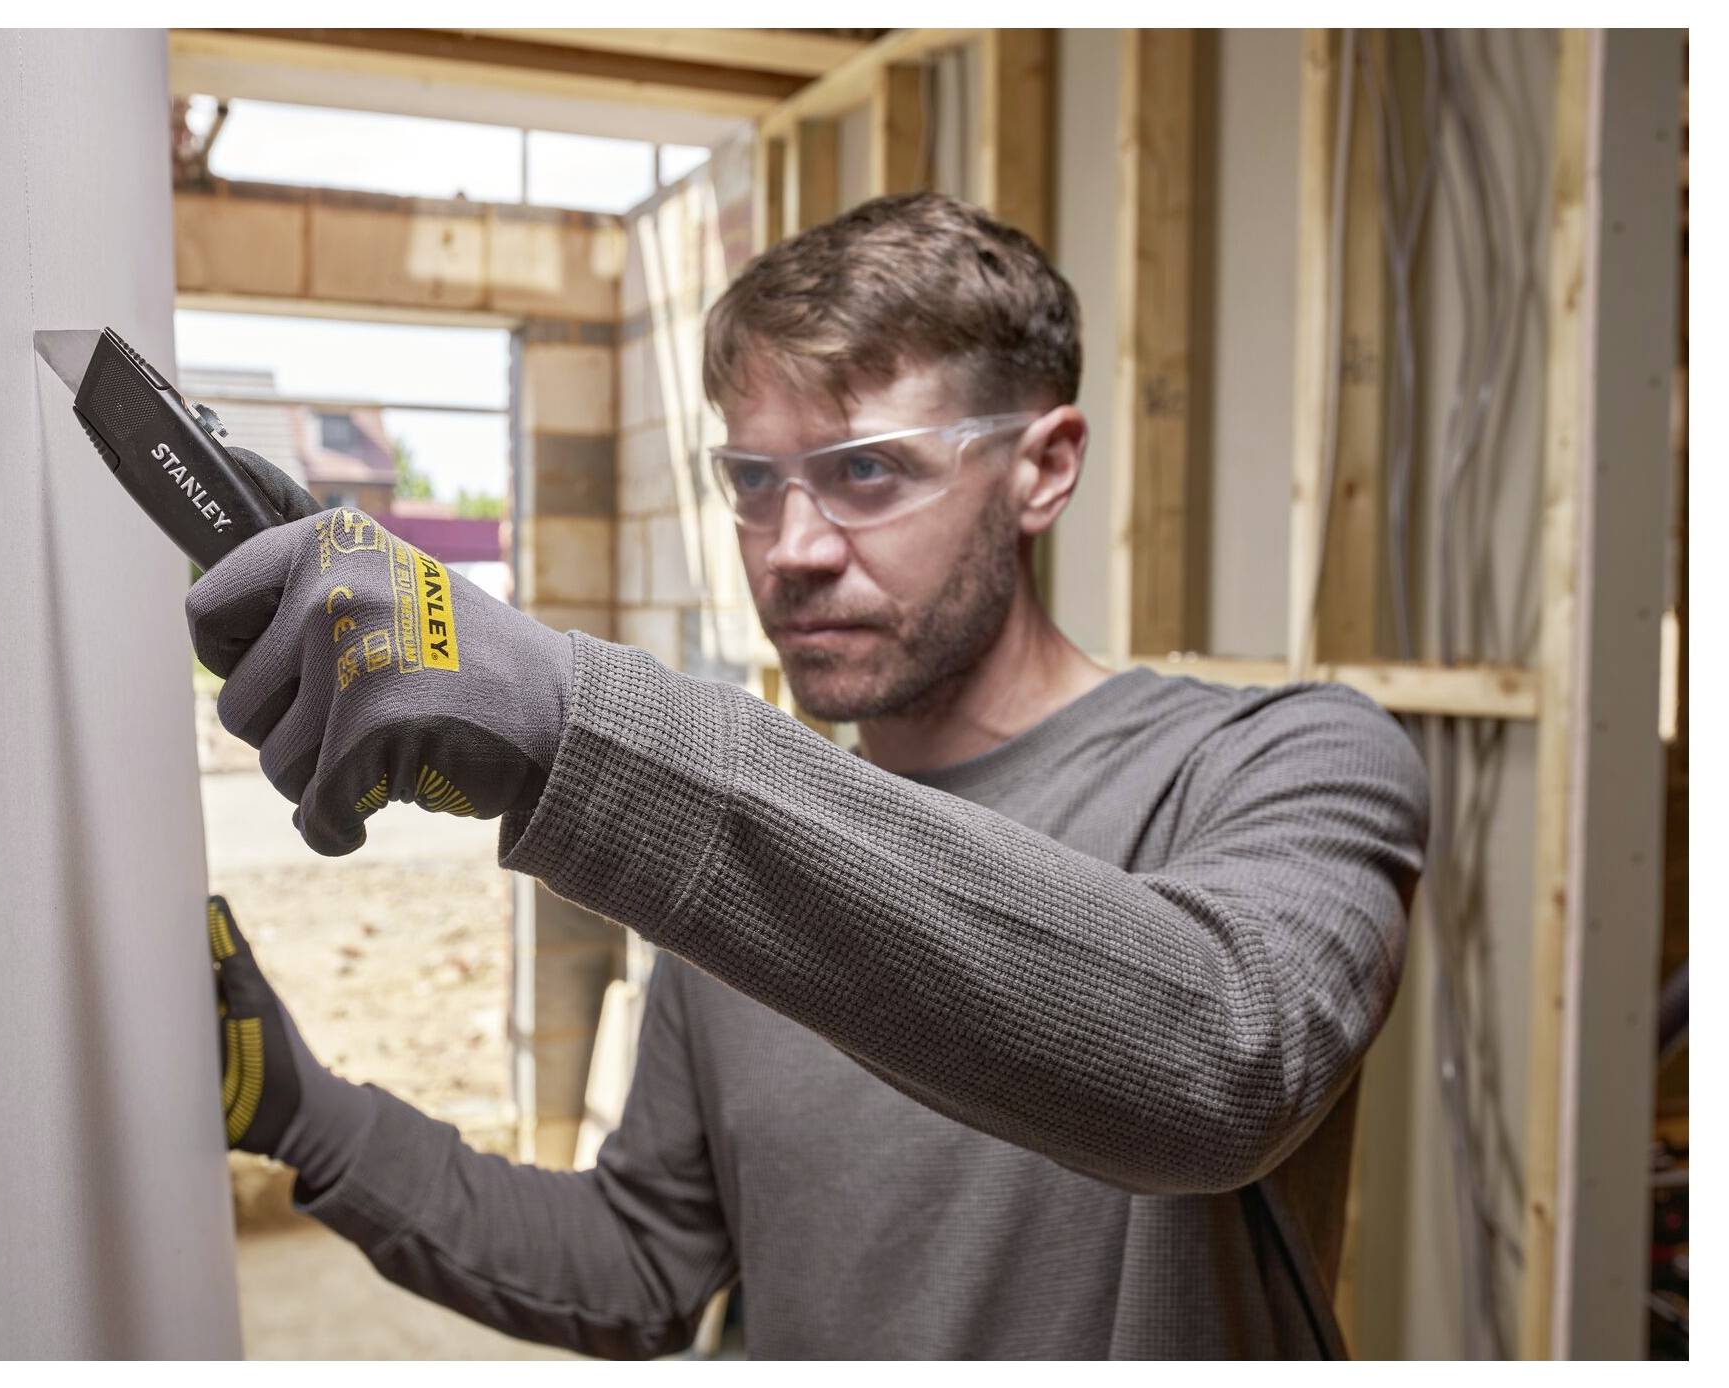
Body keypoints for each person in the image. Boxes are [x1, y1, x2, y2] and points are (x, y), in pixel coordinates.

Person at [189, 192, 1429, 1359]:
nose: (791, 549)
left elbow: (1225, 1058)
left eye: (866, 470)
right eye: (752, 480)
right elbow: (640, 1263)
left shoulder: (1285, 761)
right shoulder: (752, 877)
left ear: (1044, 466)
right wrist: (312, 1116)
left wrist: (576, 722)